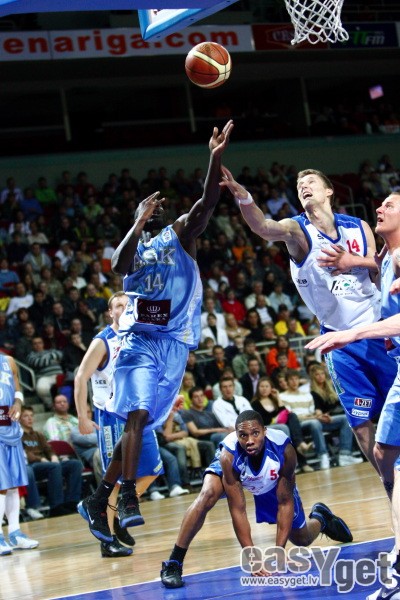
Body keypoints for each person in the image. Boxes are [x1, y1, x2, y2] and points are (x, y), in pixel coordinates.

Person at [76, 117, 233, 541]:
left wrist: (214, 158)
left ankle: (99, 498)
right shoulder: (134, 250)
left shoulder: (179, 235)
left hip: (176, 345)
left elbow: (206, 203)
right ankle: (127, 494)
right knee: (138, 414)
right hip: (139, 342)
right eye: (147, 211)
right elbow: (117, 265)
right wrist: (137, 222)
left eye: (156, 210)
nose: (155, 212)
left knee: (142, 424)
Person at [220, 166, 396, 480]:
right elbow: (264, 227)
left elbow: (378, 267)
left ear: (329, 191)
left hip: (376, 330)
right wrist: (244, 198)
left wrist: (351, 261)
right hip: (339, 341)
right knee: (360, 422)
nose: (304, 186)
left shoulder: (358, 226)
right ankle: (390, 481)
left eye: (311, 181)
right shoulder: (297, 230)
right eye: (299, 184)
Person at [305, 192, 400, 599]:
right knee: (383, 452)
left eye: (390, 206)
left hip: (380, 348)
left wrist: (354, 332)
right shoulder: (385, 257)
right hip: (390, 358)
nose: (379, 208)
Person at [160, 409, 352, 588]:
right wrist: (251, 555)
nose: (250, 440)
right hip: (235, 467)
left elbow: (285, 503)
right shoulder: (228, 455)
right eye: (243, 435)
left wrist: (279, 550)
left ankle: (321, 518)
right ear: (237, 435)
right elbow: (238, 509)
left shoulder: (284, 450)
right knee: (207, 494)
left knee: (302, 539)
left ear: (265, 432)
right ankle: (174, 562)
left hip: (270, 480)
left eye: (255, 433)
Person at [75, 291, 163, 556]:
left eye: (128, 305)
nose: (124, 309)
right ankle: (107, 538)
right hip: (111, 414)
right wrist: (82, 416)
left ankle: (117, 511)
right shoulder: (103, 340)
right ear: (110, 312)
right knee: (114, 480)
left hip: (137, 413)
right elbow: (80, 377)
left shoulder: (136, 336)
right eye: (119, 306)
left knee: (154, 468)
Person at [280, 370, 363, 469]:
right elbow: (292, 417)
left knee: (345, 419)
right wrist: (316, 417)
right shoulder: (282, 396)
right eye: (291, 379)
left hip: (314, 420)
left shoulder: (307, 394)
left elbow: (313, 412)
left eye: (296, 379)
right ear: (287, 382)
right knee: (315, 423)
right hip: (300, 425)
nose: (294, 382)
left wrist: (322, 416)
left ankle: (345, 454)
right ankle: (323, 456)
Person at [0, 354, 39, 554]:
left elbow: (17, 389)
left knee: (13, 484)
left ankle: (15, 533)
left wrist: (18, 403)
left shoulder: (8, 361)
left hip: (10, 427)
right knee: (1, 485)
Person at [20, 406, 83, 518]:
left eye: (31, 416)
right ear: (20, 419)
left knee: (75, 464)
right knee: (54, 467)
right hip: (32, 466)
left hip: (47, 464)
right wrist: (41, 459)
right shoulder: (18, 435)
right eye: (26, 416)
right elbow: (24, 453)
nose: (30, 418)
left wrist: (53, 456)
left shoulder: (38, 434)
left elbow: (48, 448)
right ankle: (56, 506)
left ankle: (72, 502)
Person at [251, 376, 314, 473]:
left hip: (281, 427)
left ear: (271, 388)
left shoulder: (274, 400)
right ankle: (299, 460)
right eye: (262, 386)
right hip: (267, 428)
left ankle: (300, 447)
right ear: (258, 388)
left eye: (267, 386)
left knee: (292, 416)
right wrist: (276, 419)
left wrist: (278, 397)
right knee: (285, 428)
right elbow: (263, 420)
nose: (264, 389)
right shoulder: (255, 403)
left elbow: (284, 413)